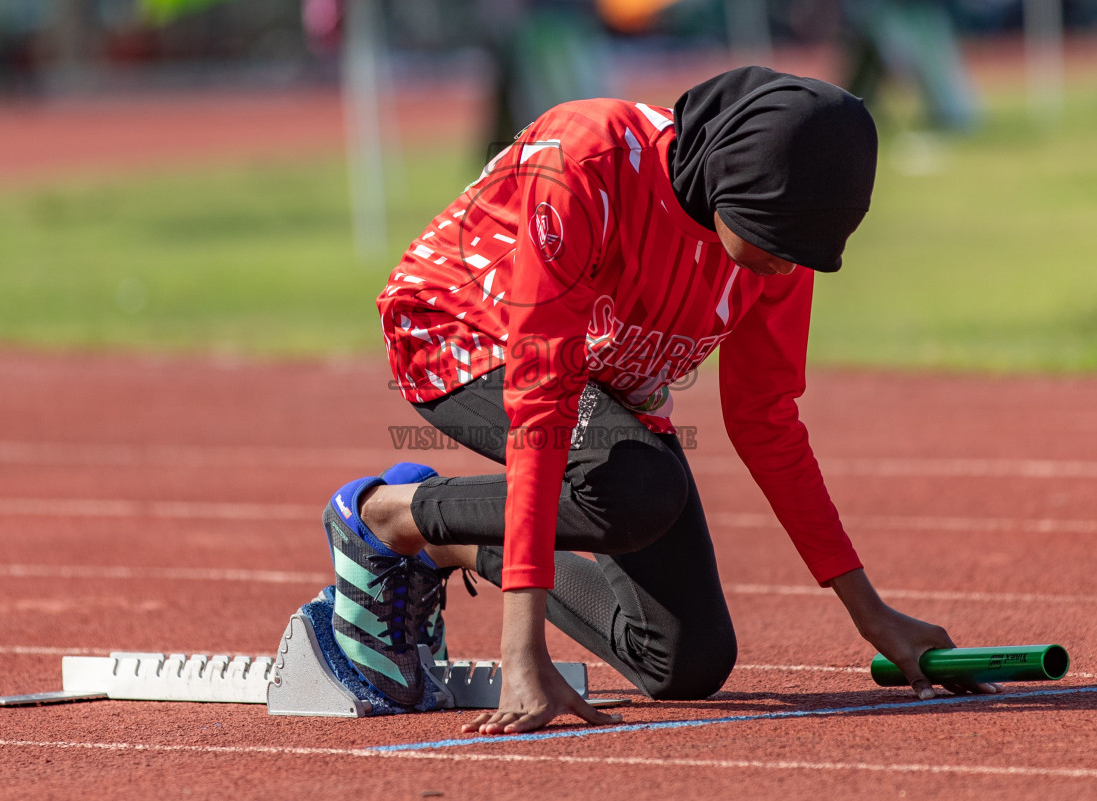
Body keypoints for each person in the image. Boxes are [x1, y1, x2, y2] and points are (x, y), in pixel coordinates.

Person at [321, 66, 999, 735]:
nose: (788, 268)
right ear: (735, 179)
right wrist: (521, 649)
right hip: (461, 331)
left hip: (598, 372)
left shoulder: (779, 243)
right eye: (776, 237)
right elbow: (541, 398)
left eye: (808, 250)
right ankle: (384, 518)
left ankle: (453, 542)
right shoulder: (588, 162)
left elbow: (766, 421)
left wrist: (871, 613)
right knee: (638, 485)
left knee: (686, 663)